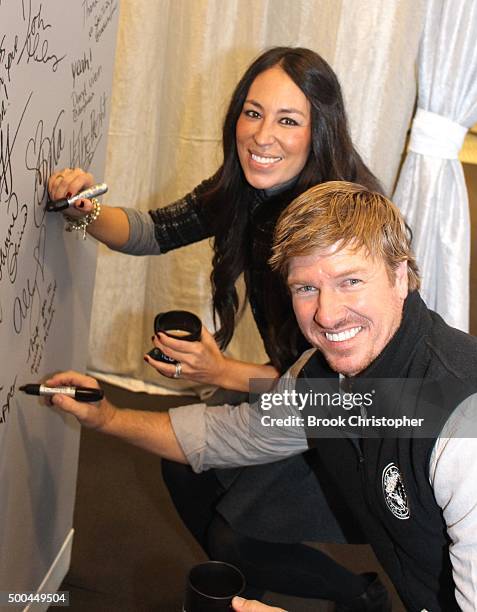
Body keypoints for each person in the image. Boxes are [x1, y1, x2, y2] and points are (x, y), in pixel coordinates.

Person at [45, 181, 477, 611]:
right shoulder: (326, 378)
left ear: (400, 276)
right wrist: (107, 417)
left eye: (351, 281)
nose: (327, 313)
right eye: (307, 288)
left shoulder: (472, 422)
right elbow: (236, 435)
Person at [48, 49, 387, 607]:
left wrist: (223, 371)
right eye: (252, 113)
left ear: (319, 131)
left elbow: (340, 383)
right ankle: (250, 585)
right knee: (187, 474)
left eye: (287, 120)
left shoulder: (338, 226)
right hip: (294, 393)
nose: (262, 136)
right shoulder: (248, 189)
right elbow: (150, 231)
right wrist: (78, 207)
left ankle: (360, 599)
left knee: (234, 533)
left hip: (355, 419)